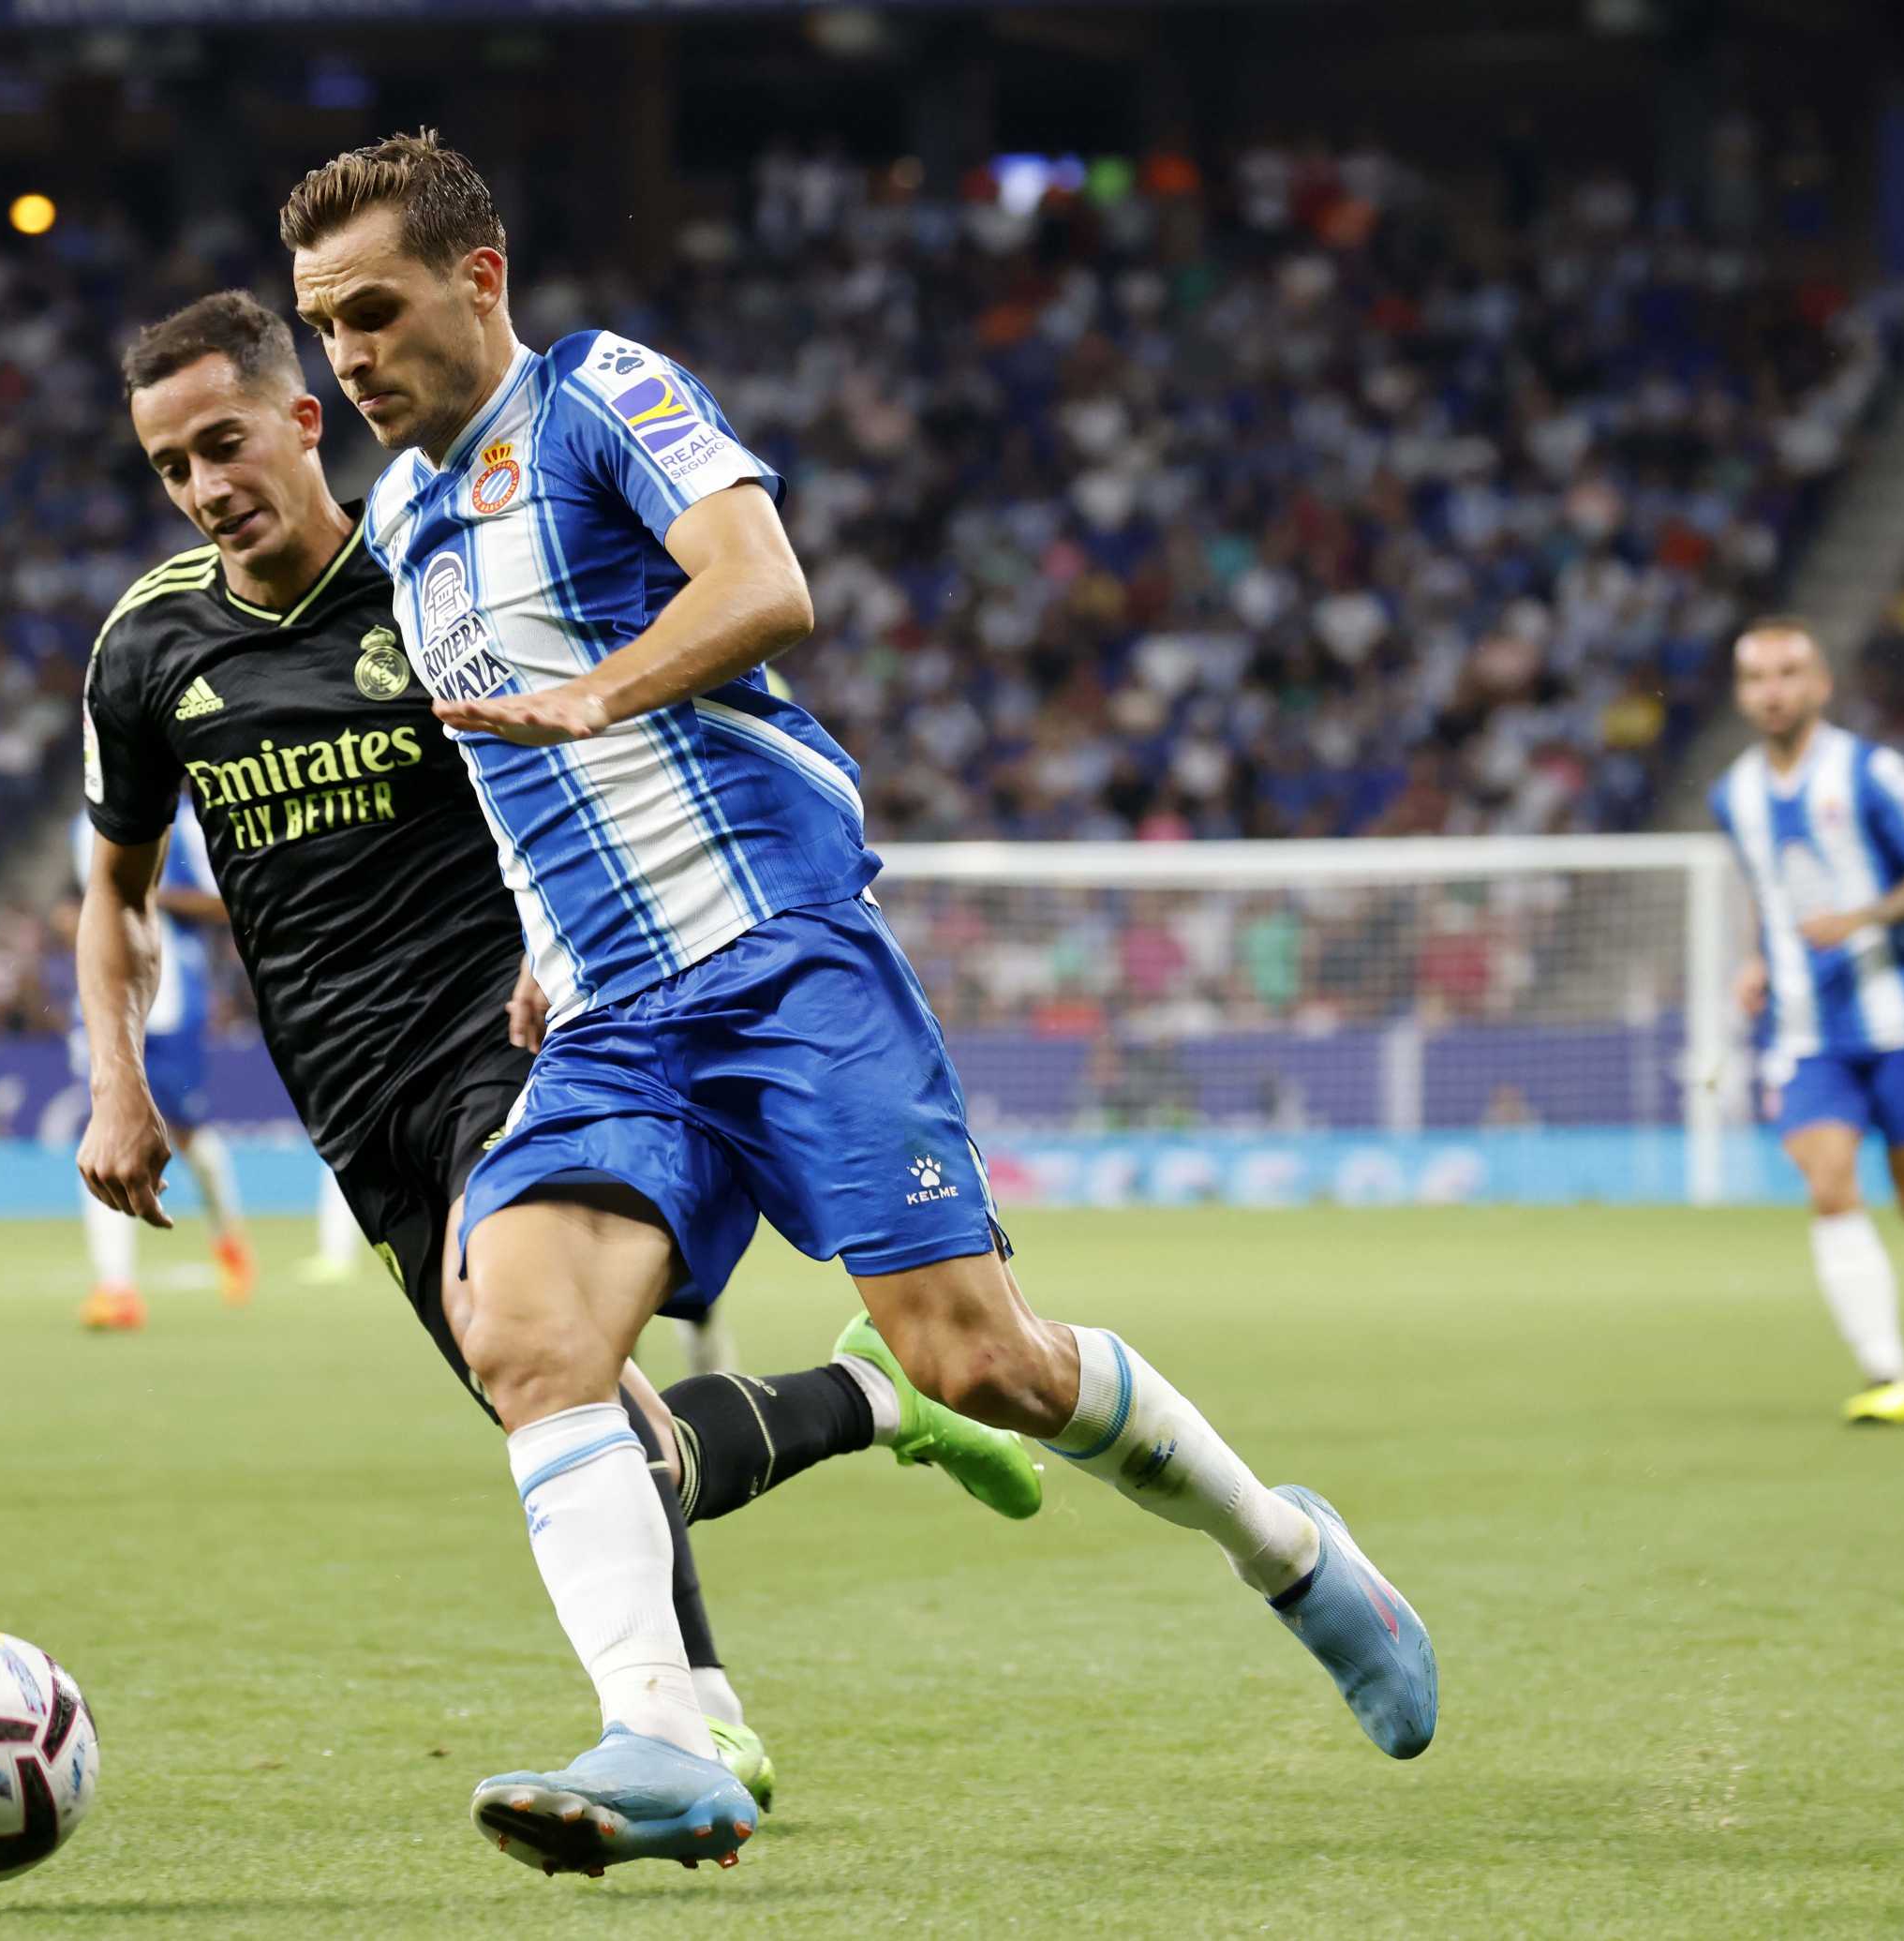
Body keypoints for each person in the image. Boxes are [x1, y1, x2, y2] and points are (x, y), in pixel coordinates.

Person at [279, 128, 1436, 1879]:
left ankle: (1288, 1551)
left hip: (779, 958)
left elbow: (765, 588)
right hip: (611, 1016)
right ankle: (668, 1741)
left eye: (373, 311)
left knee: (983, 1360)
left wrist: (603, 689)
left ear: (479, 278)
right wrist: (539, 940)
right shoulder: (401, 520)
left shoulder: (601, 395)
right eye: (324, 326)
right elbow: (523, 779)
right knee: (524, 1335)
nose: (349, 356)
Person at [72, 290, 1040, 1814]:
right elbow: (116, 892)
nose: (204, 486)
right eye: (171, 466)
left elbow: (606, 753)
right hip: (351, 1099)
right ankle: (857, 1427)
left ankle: (680, 1733)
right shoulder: (146, 648)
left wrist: (575, 944)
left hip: (515, 1035)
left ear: (303, 420)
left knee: (544, 1366)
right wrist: (116, 1079)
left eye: (225, 443)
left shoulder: (429, 579)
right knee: (599, 1433)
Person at [1710, 620, 1904, 1426]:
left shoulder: (1870, 772)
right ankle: (1888, 1375)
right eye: (1756, 677)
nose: (1773, 690)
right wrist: (1756, 961)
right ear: (1741, 694)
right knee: (1829, 1184)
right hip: (1805, 1030)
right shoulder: (1734, 795)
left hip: (1896, 1017)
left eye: (1789, 672)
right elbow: (1768, 890)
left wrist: (1864, 917)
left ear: (1820, 684)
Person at [67, 799, 255, 1331]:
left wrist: (143, 890)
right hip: (105, 1002)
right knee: (104, 1127)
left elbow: (226, 902)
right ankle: (116, 1289)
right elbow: (80, 901)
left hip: (171, 1002)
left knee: (189, 1137)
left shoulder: (189, 826)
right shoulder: (84, 825)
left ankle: (229, 1239)